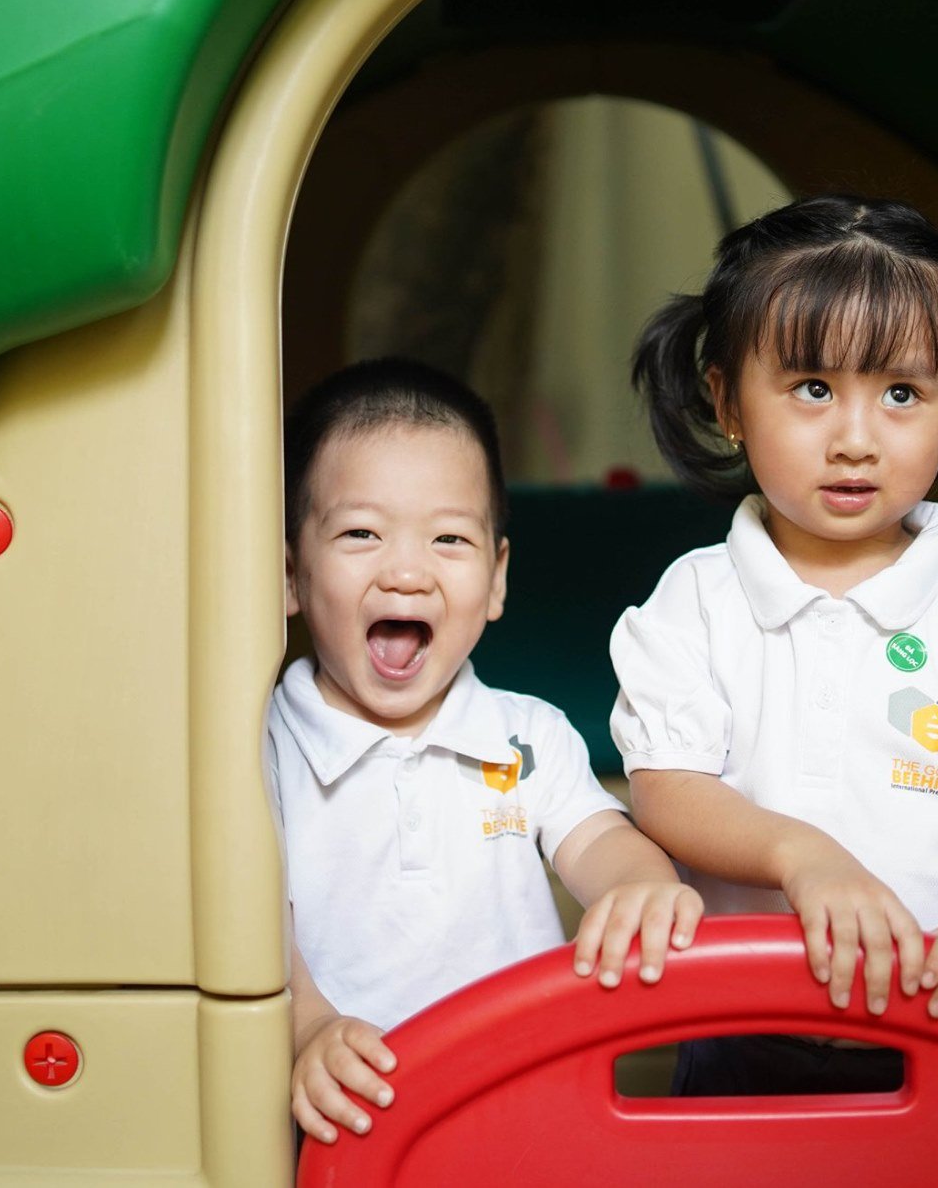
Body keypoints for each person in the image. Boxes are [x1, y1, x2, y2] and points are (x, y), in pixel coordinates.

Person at [612, 195, 938, 1096]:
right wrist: (801, 854)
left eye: (902, 394)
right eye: (812, 388)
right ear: (727, 401)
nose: (855, 440)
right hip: (738, 1025)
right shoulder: (696, 601)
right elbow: (667, 789)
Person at [271, 357, 703, 1143]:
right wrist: (309, 1027)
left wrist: (640, 884)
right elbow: (258, 921)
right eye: (362, 533)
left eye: (449, 538)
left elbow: (597, 840)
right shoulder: (261, 748)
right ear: (291, 573)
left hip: (527, 1109)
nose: (407, 571)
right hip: (353, 1124)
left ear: (497, 578)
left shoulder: (527, 733)